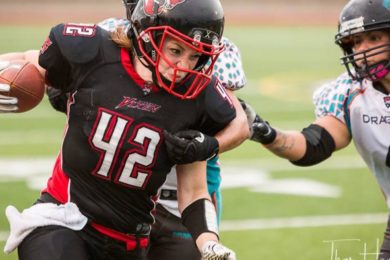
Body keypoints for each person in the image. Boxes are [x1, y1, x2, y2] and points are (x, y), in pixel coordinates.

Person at [0, 0, 239, 259]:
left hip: (127, 241)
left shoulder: (196, 99)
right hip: (63, 217)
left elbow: (194, 193)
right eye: (175, 49)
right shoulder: (94, 54)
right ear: (149, 35)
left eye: (195, 56)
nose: (184, 66)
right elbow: (29, 63)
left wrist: (209, 244)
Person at [244, 0, 390, 258]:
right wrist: (265, 132)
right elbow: (313, 144)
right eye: (355, 42)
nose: (361, 51)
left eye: (373, 37)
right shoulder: (353, 94)